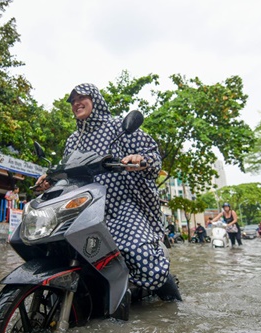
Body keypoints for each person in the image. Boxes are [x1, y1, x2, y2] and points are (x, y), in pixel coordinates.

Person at [35, 83, 180, 301]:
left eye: (81, 98)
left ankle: (173, 301)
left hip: (121, 205)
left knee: (140, 254)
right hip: (83, 209)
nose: (76, 103)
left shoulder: (119, 127)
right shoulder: (73, 140)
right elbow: (67, 173)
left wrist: (140, 159)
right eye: (72, 101)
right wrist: (50, 180)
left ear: (96, 99)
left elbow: (153, 157)